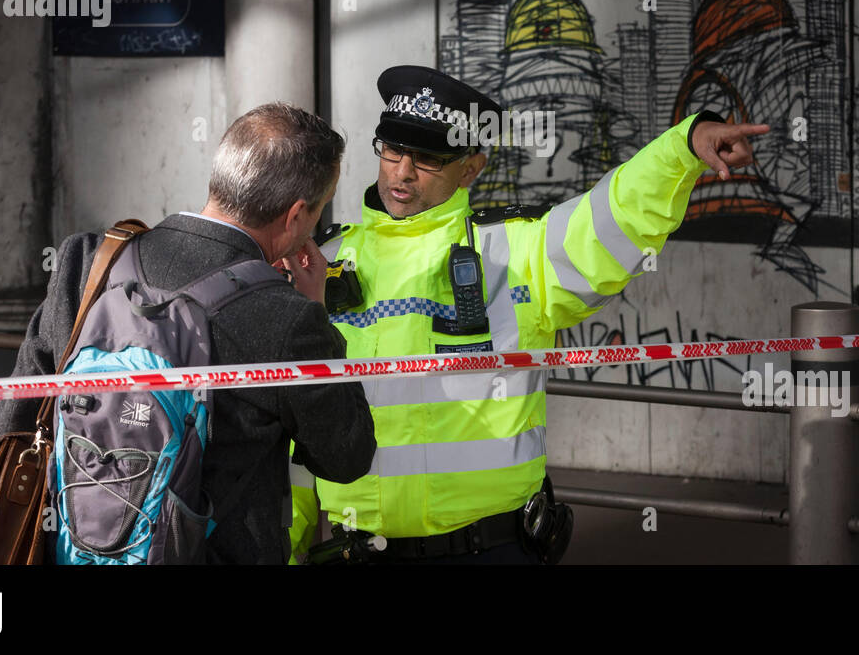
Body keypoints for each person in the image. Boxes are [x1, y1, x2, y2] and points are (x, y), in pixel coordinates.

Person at [289, 66, 768, 563]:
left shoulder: (515, 251)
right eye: (392, 148)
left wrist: (684, 148)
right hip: (359, 552)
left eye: (429, 157)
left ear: (471, 168)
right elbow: (298, 424)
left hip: (489, 550)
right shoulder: (321, 262)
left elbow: (610, 218)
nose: (403, 171)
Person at [0, 102, 376, 564]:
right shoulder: (287, 319)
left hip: (68, 551)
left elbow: (11, 423)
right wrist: (317, 312)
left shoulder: (87, 261)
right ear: (295, 216)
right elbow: (346, 456)